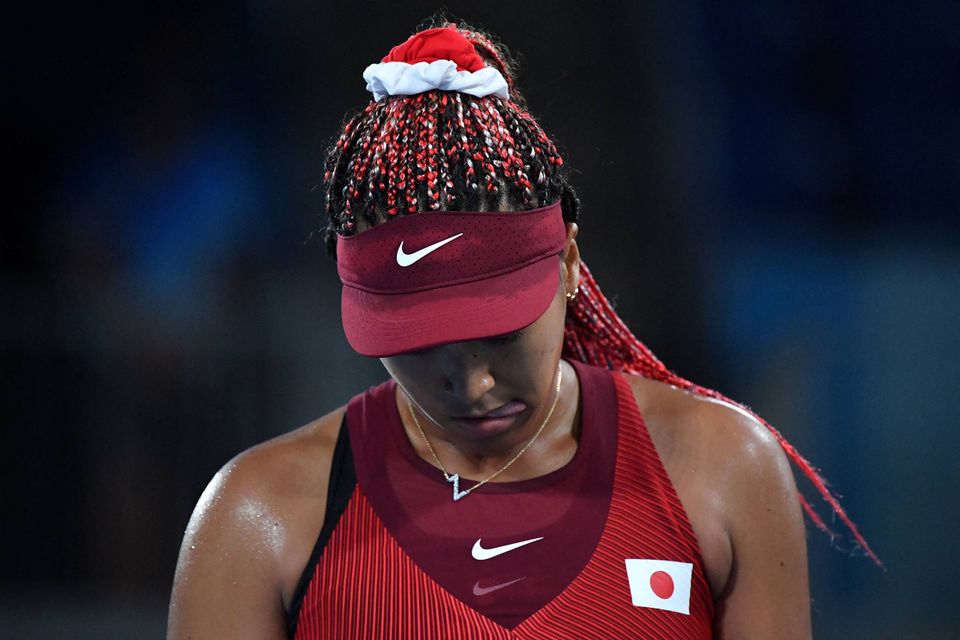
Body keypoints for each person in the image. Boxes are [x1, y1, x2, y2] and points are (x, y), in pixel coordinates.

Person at [168, 17, 878, 639]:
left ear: (568, 263)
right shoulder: (257, 516)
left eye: (501, 334)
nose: (472, 384)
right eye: (419, 347)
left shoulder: (724, 467)